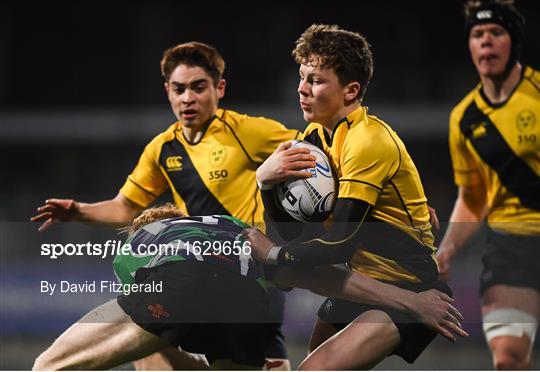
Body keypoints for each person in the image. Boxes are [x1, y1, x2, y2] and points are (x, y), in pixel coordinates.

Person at [30, 42, 301, 370]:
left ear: (220, 88)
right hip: (198, 268)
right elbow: (126, 207)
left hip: (251, 276)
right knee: (151, 351)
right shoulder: (162, 148)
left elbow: (314, 155)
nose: (188, 98)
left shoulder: (250, 132)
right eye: (179, 89)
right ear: (168, 92)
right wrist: (78, 211)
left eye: (198, 88)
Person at [243, 24, 466, 370]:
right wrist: (266, 183)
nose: (301, 89)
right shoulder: (315, 136)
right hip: (360, 283)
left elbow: (338, 244)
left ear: (350, 91)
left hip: (409, 288)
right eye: (301, 77)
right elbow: (292, 234)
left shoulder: (368, 141)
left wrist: (273, 253)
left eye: (315, 80)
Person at [33, 204, 466, 370]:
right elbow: (323, 278)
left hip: (179, 284)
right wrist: (412, 300)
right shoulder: (237, 232)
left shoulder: (139, 242)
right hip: (250, 304)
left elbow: (163, 323)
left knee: (49, 367)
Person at [435, 0, 539, 369]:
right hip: (510, 250)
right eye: (478, 35)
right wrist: (447, 248)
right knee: (508, 361)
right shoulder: (463, 118)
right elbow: (473, 197)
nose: (486, 42)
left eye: (496, 32)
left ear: (514, 41)